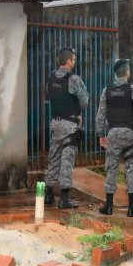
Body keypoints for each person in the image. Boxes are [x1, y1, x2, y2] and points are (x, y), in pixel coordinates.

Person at [96, 58, 133, 217]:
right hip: (130, 134)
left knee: (111, 168)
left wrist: (101, 135)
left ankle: (108, 206)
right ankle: (132, 208)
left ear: (115, 73)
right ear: (127, 72)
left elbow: (100, 116)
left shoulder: (107, 91)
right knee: (131, 169)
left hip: (113, 133)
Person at [45, 47, 88, 209]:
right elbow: (85, 101)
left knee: (53, 158)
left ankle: (49, 196)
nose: (74, 62)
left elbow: (48, 94)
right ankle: (64, 199)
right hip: (70, 125)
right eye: (74, 60)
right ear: (68, 61)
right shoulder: (74, 79)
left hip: (55, 123)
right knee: (67, 161)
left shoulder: (51, 77)